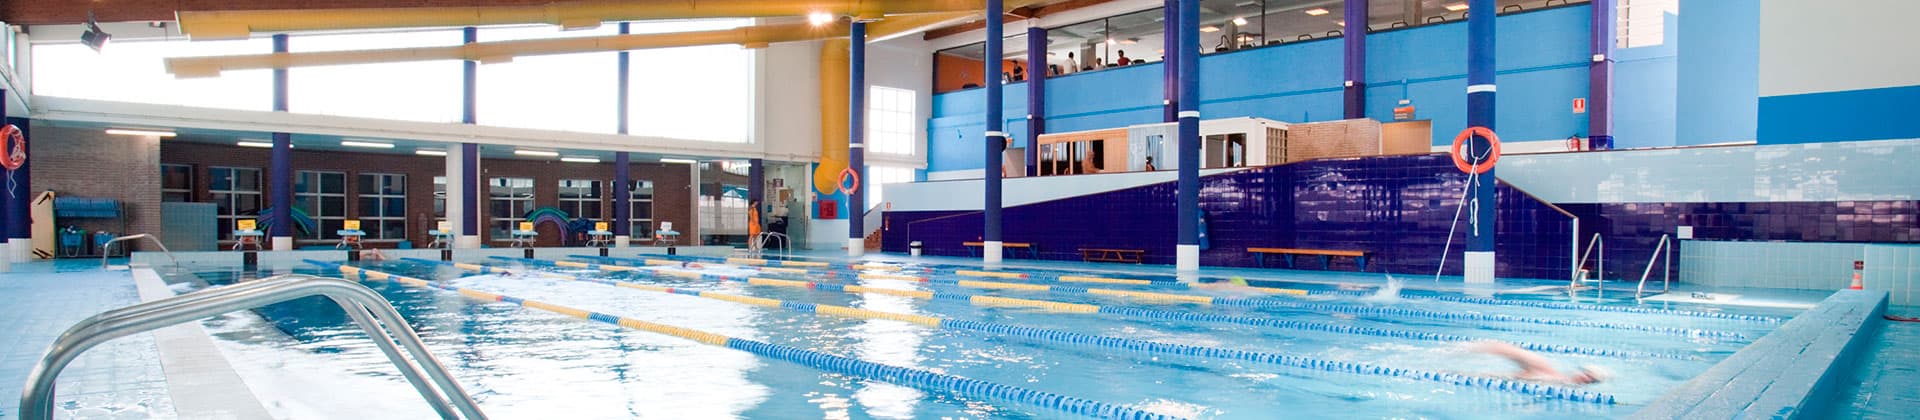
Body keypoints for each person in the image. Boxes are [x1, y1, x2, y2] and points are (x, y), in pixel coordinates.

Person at [1467, 340, 1612, 385]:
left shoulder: (1556, 381)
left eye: (1590, 380)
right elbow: (1506, 350)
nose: (1585, 378)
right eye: (1586, 374)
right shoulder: (1545, 369)